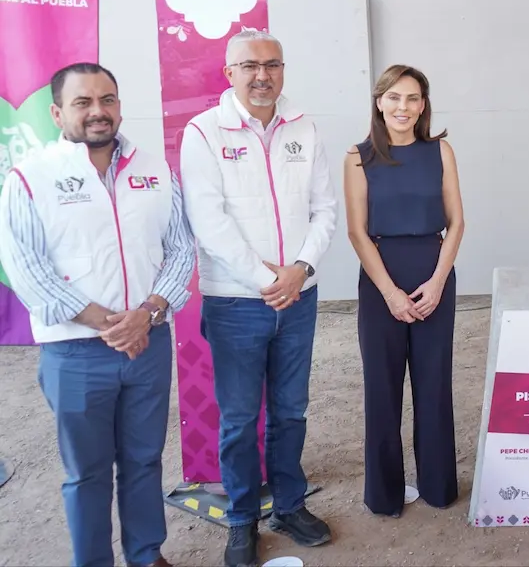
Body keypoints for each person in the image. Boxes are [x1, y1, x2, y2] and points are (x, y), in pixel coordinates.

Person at [0, 63, 194, 567]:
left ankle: (146, 554)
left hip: (147, 344)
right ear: (57, 112)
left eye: (107, 99)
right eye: (83, 103)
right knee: (85, 471)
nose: (97, 112)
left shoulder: (154, 170)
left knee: (143, 460)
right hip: (76, 352)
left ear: (119, 105)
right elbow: (25, 267)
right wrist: (109, 322)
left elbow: (181, 249)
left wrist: (149, 313)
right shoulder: (30, 178)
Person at [179, 30, 338, 567]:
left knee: (291, 411)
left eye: (272, 64)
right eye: (249, 66)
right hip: (236, 302)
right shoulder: (203, 132)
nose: (261, 75)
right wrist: (264, 278)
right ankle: (243, 518)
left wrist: (301, 269)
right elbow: (207, 219)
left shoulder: (305, 127)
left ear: (283, 69)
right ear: (230, 73)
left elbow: (324, 209)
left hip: (299, 297)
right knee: (240, 419)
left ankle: (289, 505)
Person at [343, 64, 465, 517]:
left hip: (434, 273)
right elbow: (357, 233)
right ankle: (384, 493)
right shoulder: (358, 158)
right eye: (394, 97)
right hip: (381, 279)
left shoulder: (440, 151)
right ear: (379, 102)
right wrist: (391, 293)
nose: (403, 107)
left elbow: (457, 222)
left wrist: (436, 282)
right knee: (382, 388)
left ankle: (437, 486)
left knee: (434, 387)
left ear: (423, 105)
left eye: (413, 98)